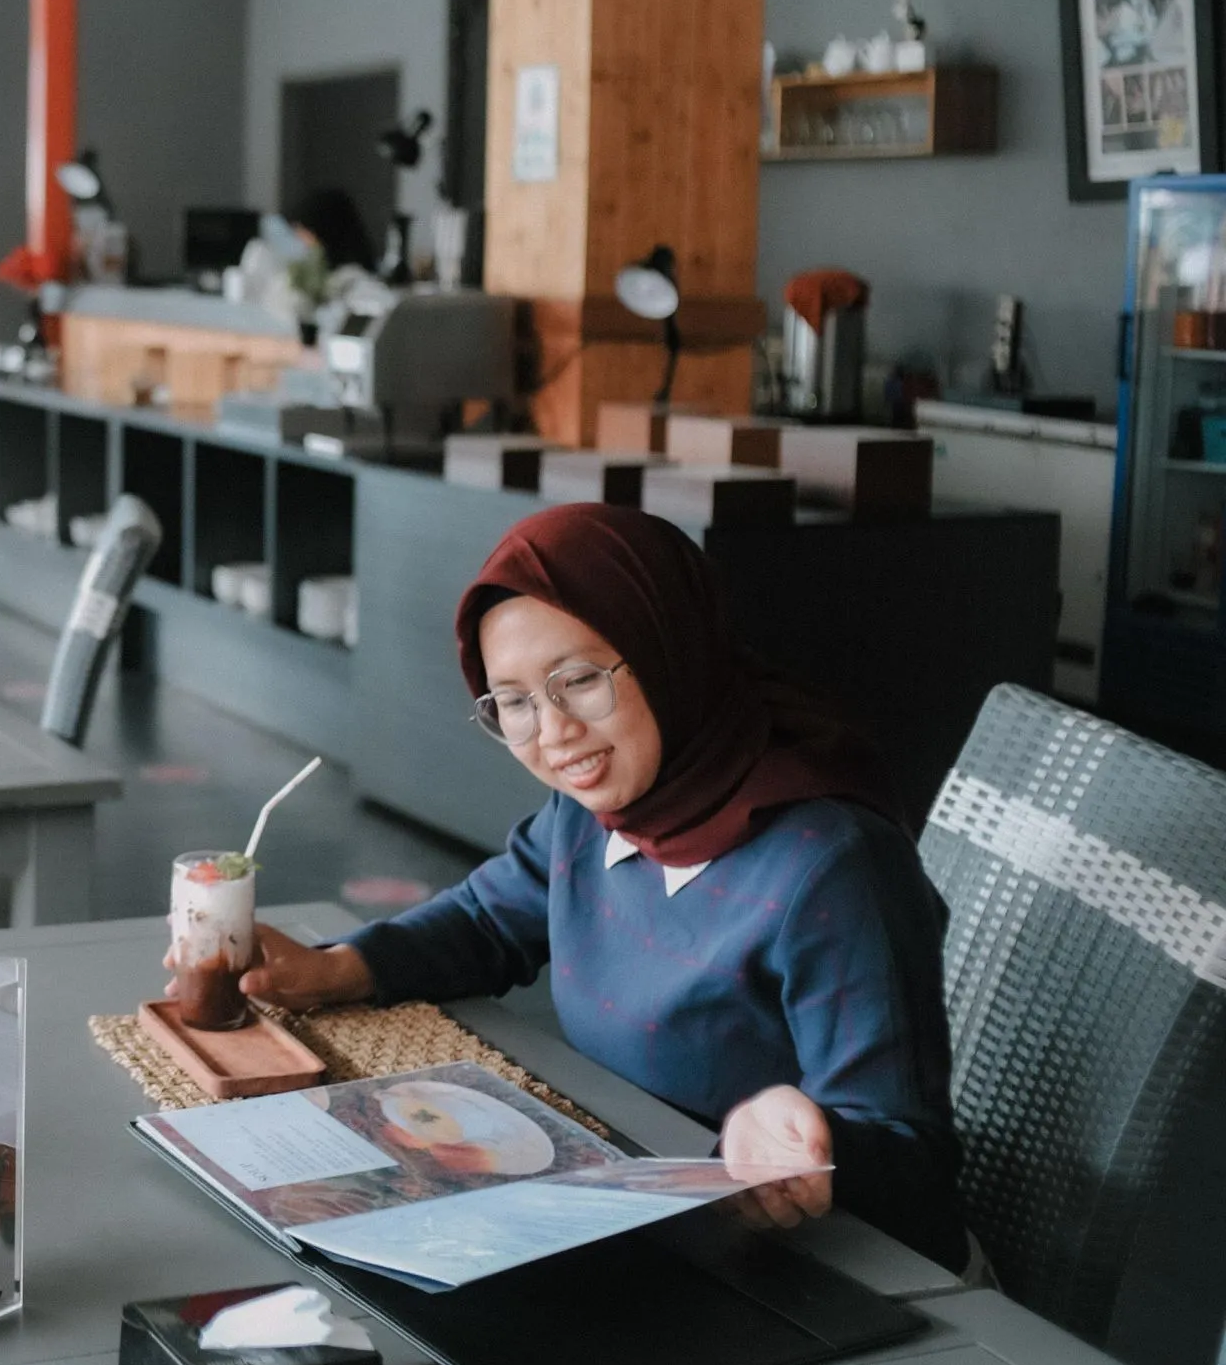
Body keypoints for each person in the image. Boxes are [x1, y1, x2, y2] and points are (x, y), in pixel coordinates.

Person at [211, 504, 968, 1273]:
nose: (553, 730)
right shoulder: (595, 813)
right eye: (514, 701)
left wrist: (811, 1135)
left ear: (669, 648)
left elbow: (912, 1161)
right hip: (656, 1224)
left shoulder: (828, 865)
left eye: (578, 679)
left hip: (837, 1270)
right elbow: (485, 920)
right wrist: (339, 968)